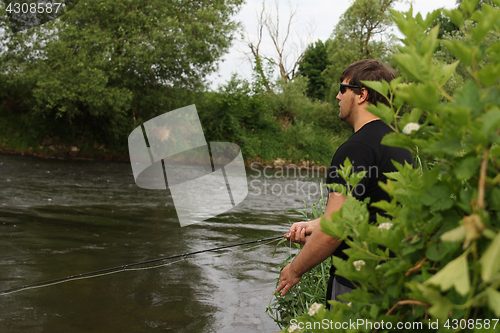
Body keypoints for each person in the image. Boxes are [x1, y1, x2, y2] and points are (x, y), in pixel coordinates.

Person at [275, 59, 414, 307]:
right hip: (392, 284)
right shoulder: (398, 143)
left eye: (342, 88)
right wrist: (313, 225)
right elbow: (366, 210)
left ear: (362, 94)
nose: (337, 96)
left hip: (354, 287)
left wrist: (295, 270)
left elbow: (333, 232)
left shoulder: (355, 149)